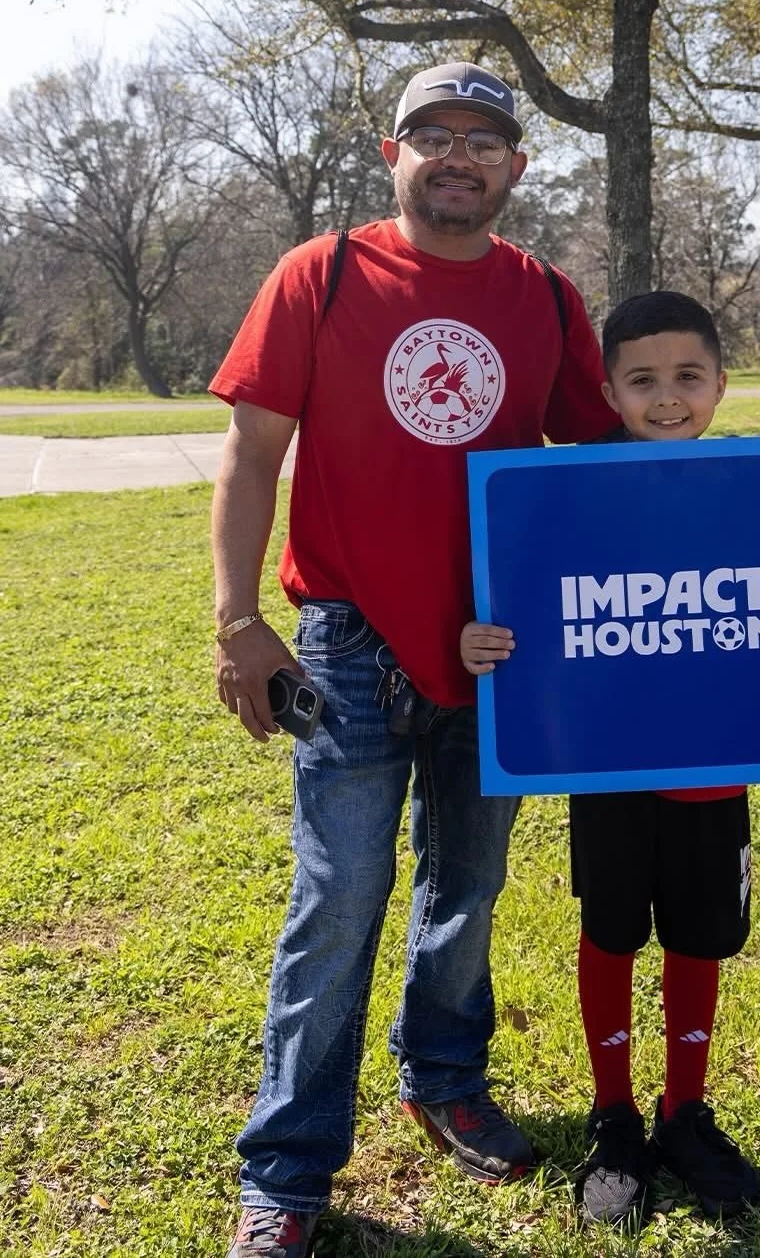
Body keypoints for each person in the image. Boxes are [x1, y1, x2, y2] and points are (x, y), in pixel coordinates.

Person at [210, 61, 618, 1258]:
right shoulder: (319, 275)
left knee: (471, 886)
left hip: (500, 646)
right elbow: (250, 457)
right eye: (431, 134)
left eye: (482, 139)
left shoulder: (544, 295)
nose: (457, 155)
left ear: (516, 169)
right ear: (391, 154)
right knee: (338, 900)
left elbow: (608, 465)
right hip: (345, 639)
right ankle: (285, 1170)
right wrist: (239, 622)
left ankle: (442, 1077)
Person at [460, 290, 760, 1227]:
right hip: (607, 769)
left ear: (722, 384)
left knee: (698, 935)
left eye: (688, 377)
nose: (668, 398)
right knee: (609, 932)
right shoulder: (568, 493)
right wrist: (484, 643)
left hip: (715, 772)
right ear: (609, 391)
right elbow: (521, 610)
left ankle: (687, 1111)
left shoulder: (757, 491)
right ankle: (616, 1117)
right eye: (643, 381)